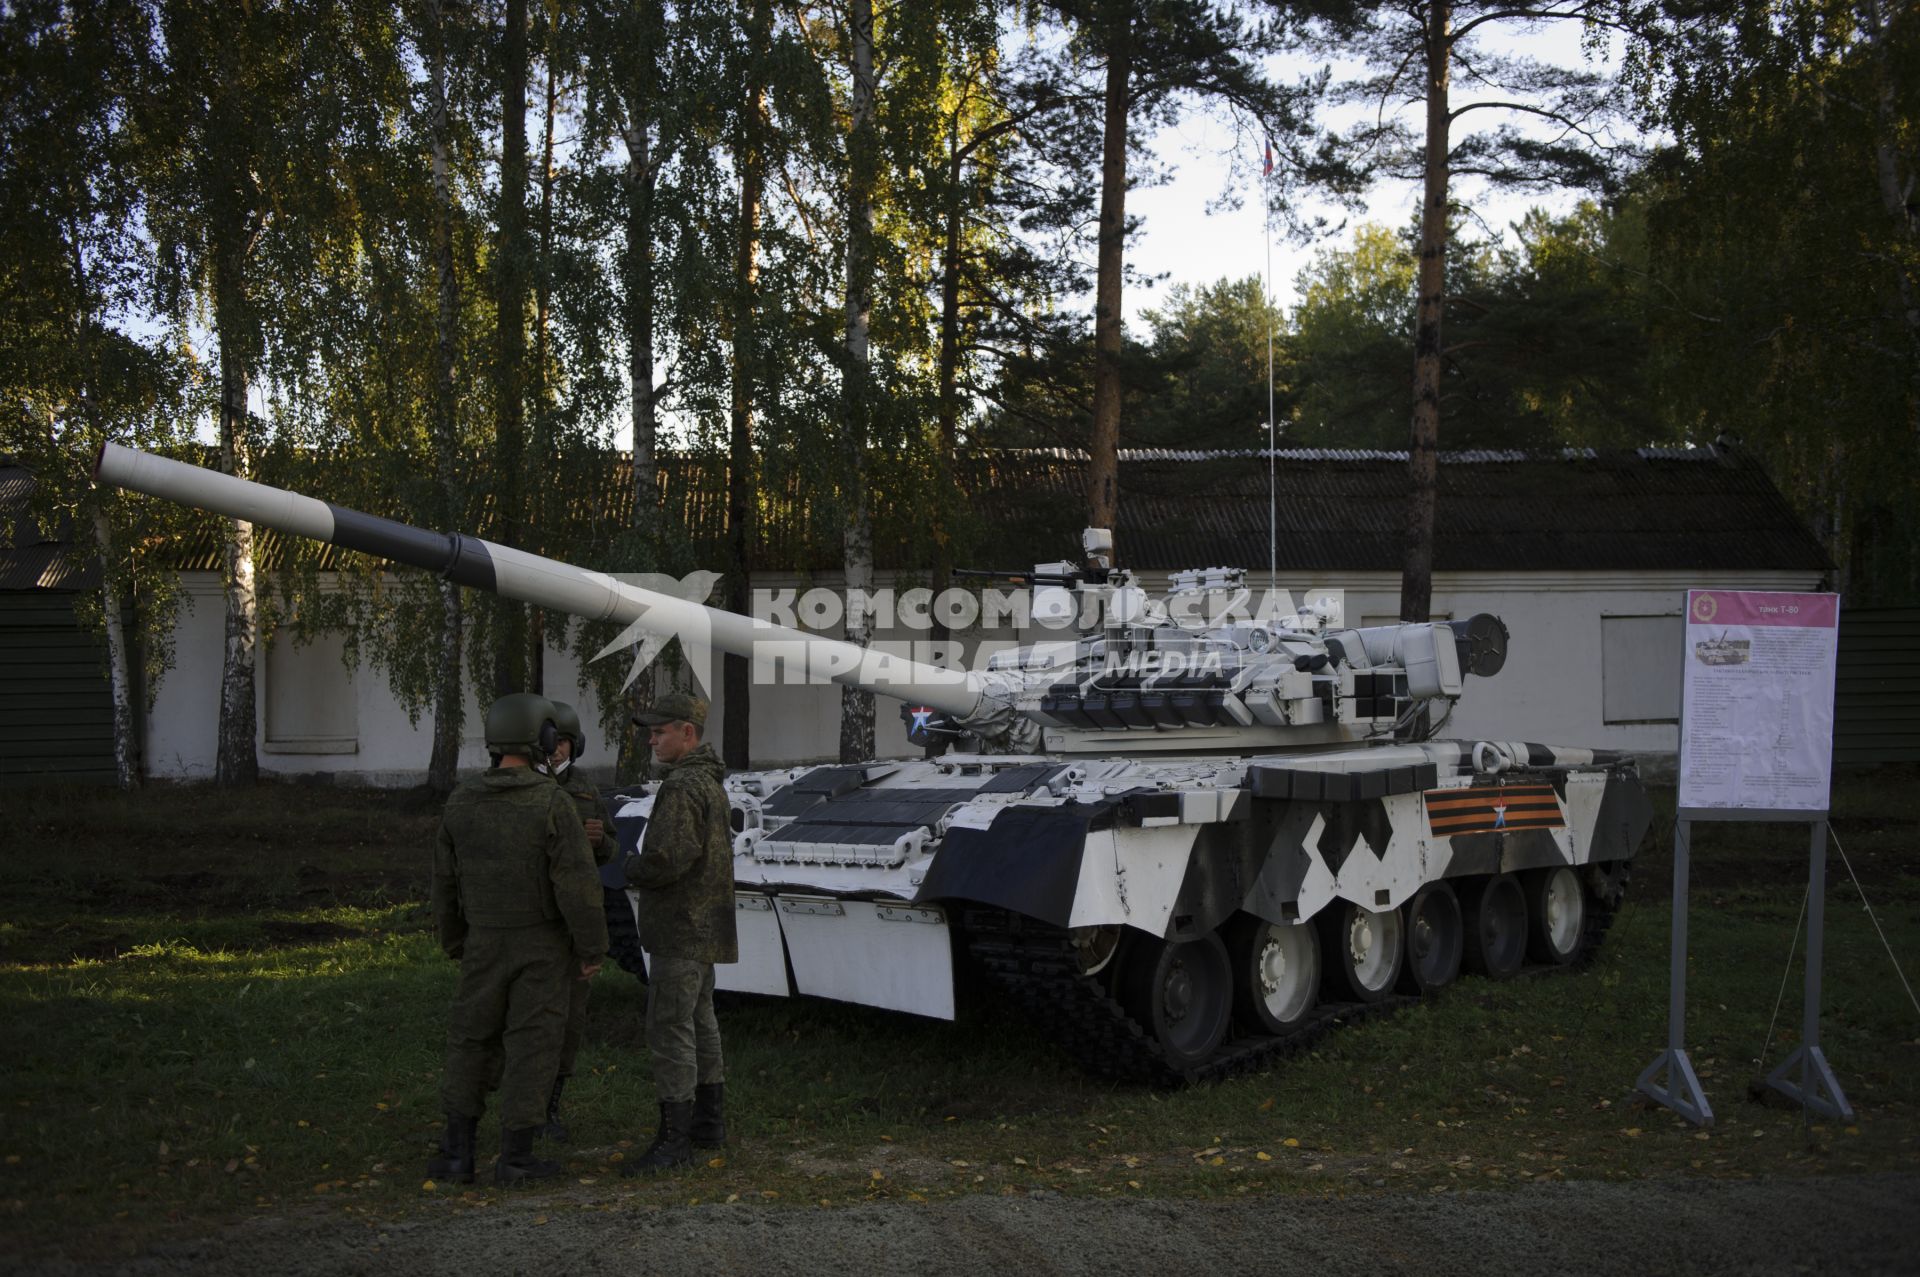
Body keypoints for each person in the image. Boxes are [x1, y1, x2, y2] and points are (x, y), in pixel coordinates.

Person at [426, 692, 608, 1186]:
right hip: (542, 947)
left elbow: (444, 882)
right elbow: (577, 885)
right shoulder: (551, 802)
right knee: (533, 1043)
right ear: (543, 740)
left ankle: (456, 1151)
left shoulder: (461, 801)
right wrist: (591, 948)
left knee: (471, 1038)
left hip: (484, 940)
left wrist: (455, 939)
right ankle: (517, 1156)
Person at [619, 691, 737, 1176]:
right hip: (704, 926)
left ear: (687, 732)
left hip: (679, 928)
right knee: (700, 1022)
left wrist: (629, 866)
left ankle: (675, 1142)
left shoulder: (682, 787)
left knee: (670, 1027)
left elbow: (669, 859)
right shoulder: (710, 781)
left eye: (660, 730)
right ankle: (708, 1125)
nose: (652, 739)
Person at [538, 699, 611, 1142]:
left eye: (564, 742)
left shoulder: (586, 788)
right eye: (551, 742)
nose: (557, 750)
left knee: (570, 1019)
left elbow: (611, 850)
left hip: (575, 923)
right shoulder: (523, 784)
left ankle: (551, 1107)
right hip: (536, 918)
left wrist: (600, 841)